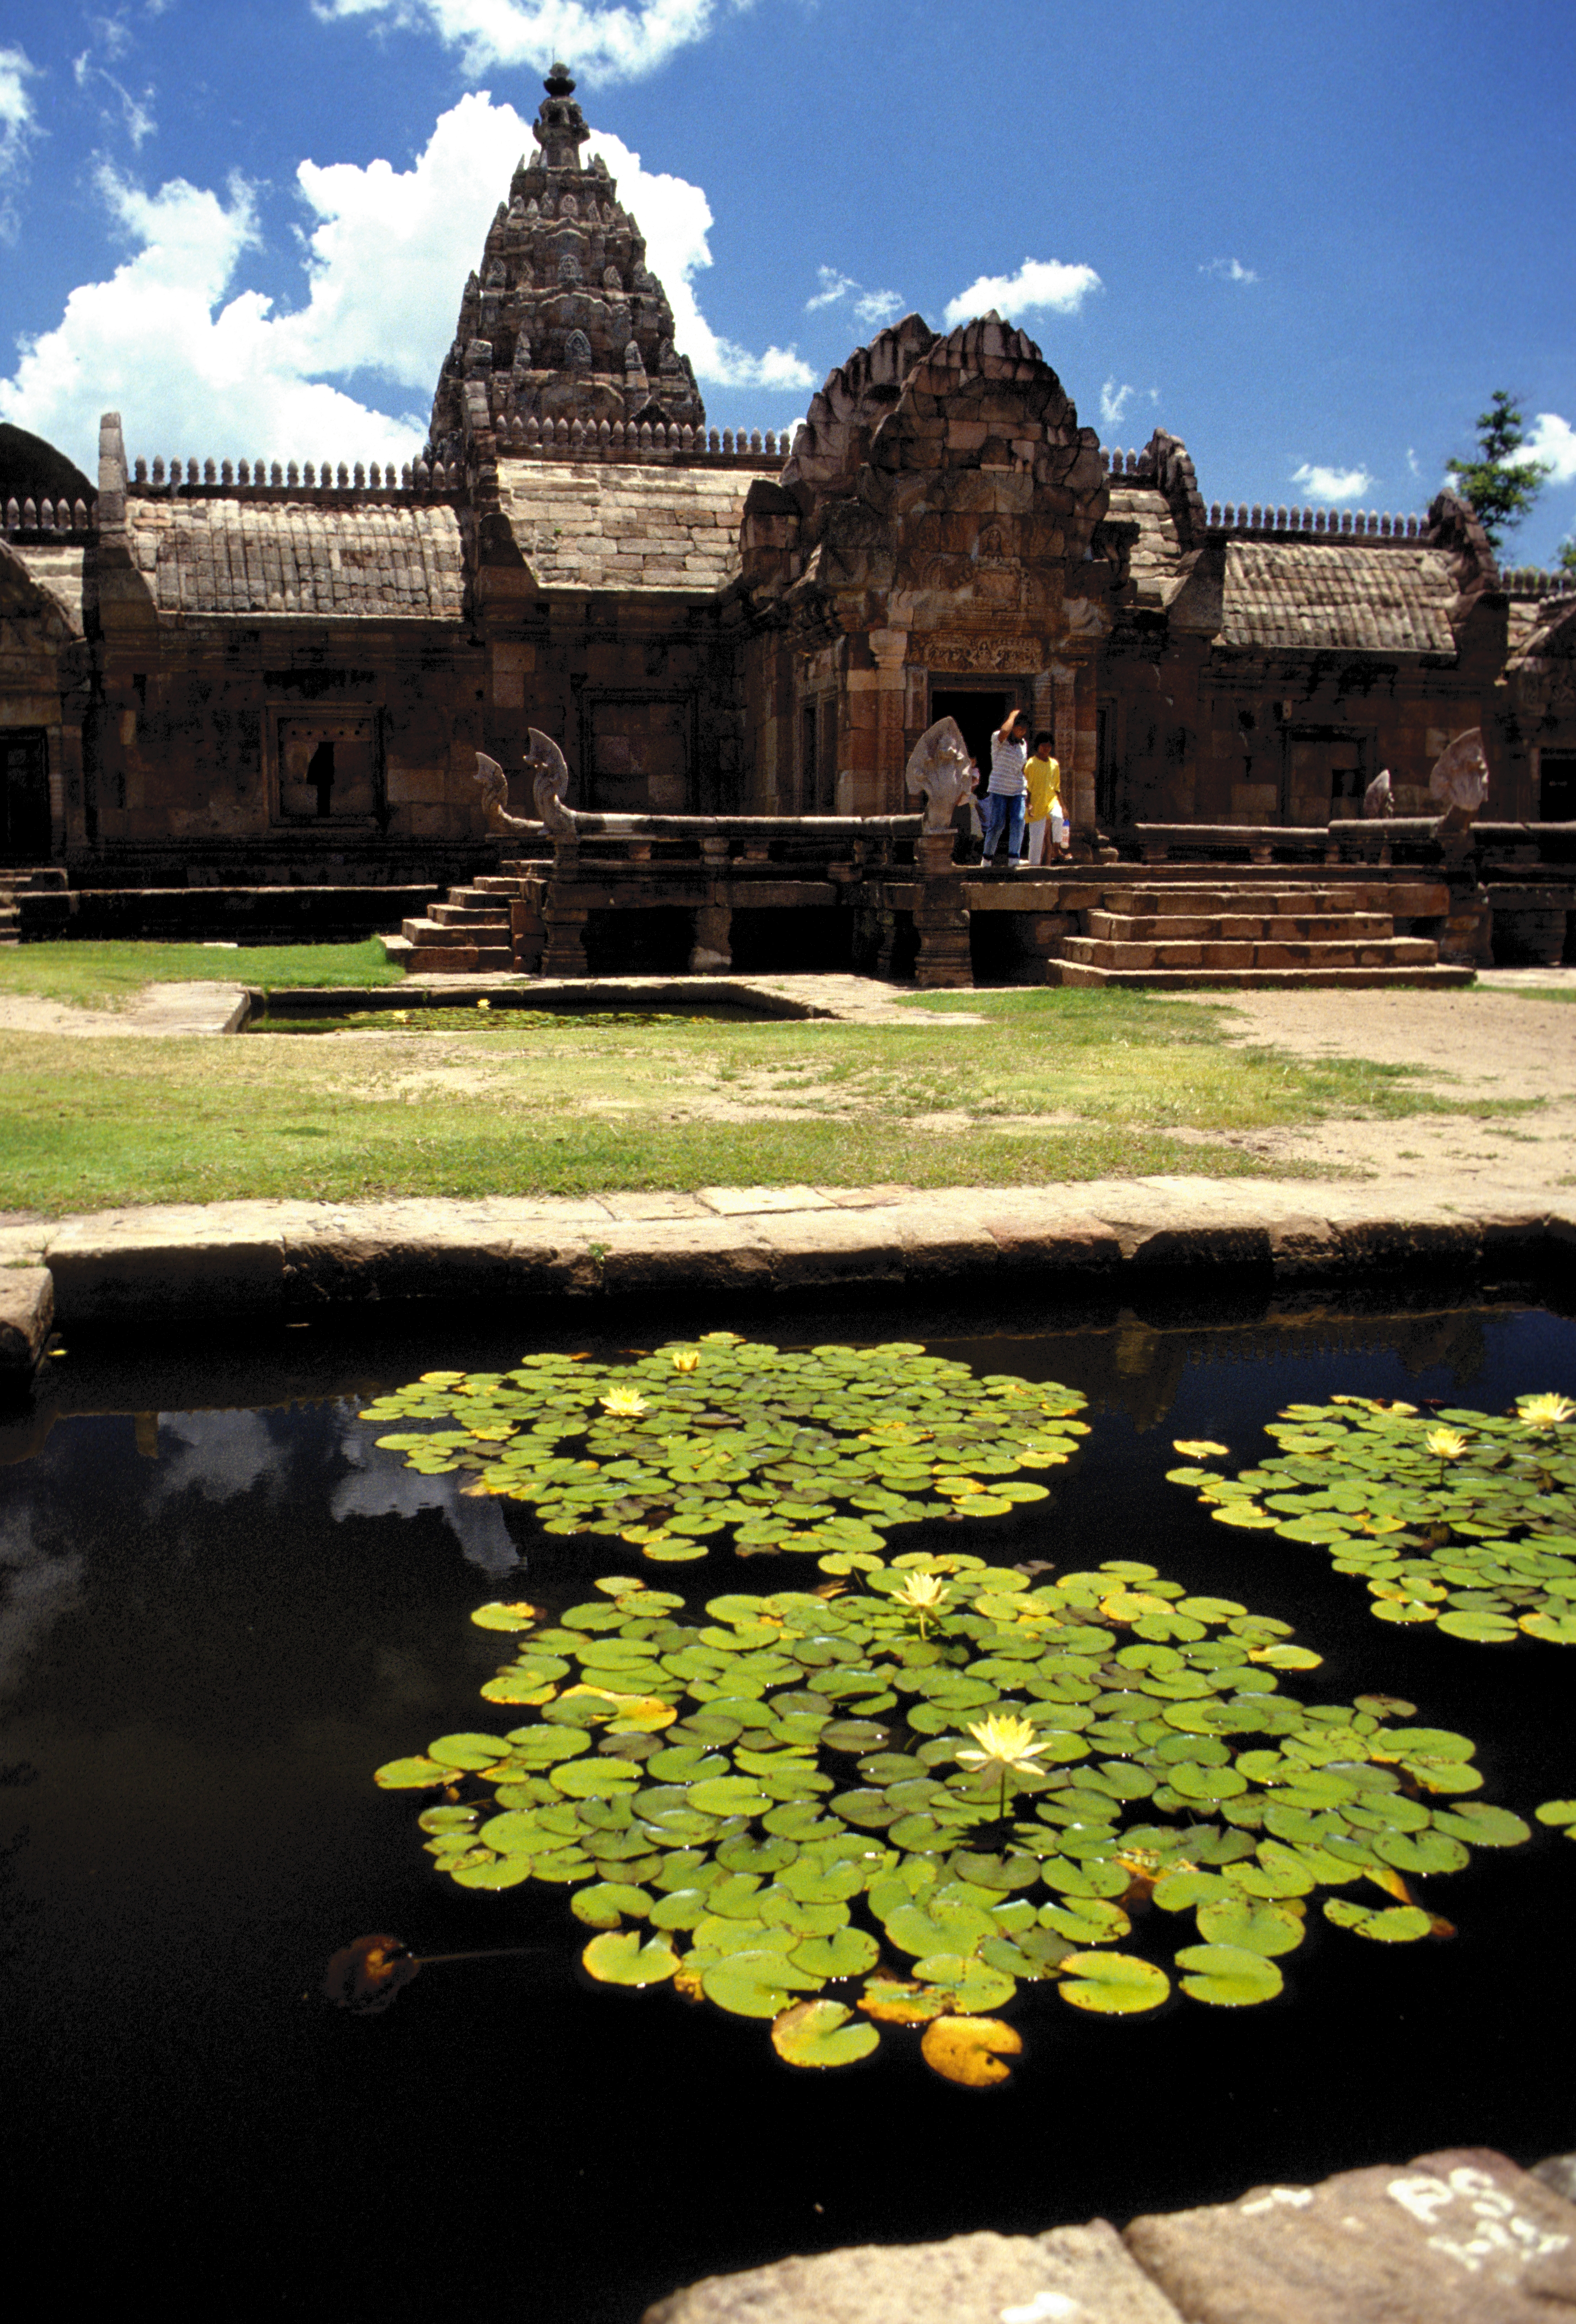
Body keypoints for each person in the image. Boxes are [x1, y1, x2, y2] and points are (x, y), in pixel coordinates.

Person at [981, 708, 1028, 867]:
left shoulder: (1023, 745)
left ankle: (1014, 858)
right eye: (1019, 728)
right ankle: (987, 858)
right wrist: (1013, 715)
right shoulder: (998, 739)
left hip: (1018, 790)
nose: (1022, 732)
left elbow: (1022, 768)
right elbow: (1005, 732)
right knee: (997, 824)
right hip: (999, 788)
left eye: (1024, 729)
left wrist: (1030, 792)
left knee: (1019, 820)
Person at [1022, 731, 1063, 866]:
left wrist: (1063, 807)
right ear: (1038, 746)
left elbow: (1057, 788)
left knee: (1059, 818)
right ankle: (1033, 869)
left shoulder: (1055, 765)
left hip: (1051, 802)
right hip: (1036, 805)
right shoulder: (1031, 764)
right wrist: (1028, 805)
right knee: (1036, 841)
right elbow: (1026, 787)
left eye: (1049, 746)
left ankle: (1056, 850)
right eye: (1043, 746)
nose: (1046, 749)